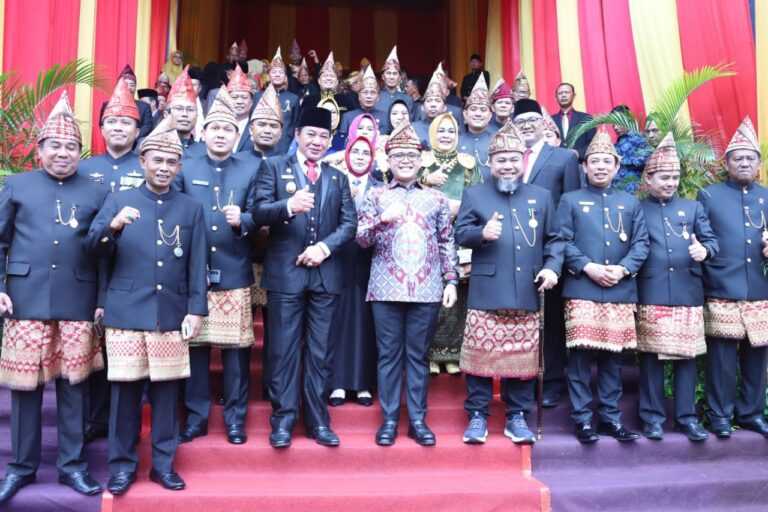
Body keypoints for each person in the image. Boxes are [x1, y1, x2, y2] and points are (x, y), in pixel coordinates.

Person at [87, 116, 208, 495]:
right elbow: (92, 247)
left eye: (171, 162)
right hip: (125, 312)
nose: (164, 168)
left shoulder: (191, 208)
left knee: (167, 395)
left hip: (170, 314)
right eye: (157, 160)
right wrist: (114, 228)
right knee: (124, 397)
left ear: (179, 167)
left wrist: (197, 309)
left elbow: (197, 262)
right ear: (143, 161)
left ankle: (163, 464)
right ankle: (122, 467)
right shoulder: (120, 200)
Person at [0, 92, 106, 504]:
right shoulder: (18, 185)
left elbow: (103, 251)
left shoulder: (95, 191)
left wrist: (99, 298)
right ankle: (21, 468)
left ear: (81, 152)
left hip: (77, 301)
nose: (63, 153)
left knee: (74, 387)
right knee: (25, 389)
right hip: (24, 300)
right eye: (55, 146)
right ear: (40, 150)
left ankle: (72, 466)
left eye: (71, 147)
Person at [252, 107, 357, 448]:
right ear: (296, 135)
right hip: (286, 274)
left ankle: (318, 420)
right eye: (310, 134)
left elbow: (349, 224)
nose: (317, 141)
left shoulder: (337, 177)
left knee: (320, 350)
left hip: (325, 275)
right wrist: (287, 206)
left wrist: (324, 249)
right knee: (282, 349)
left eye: (323, 136)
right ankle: (282, 420)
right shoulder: (272, 166)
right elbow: (257, 211)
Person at [455, 122, 562, 445]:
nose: (508, 165)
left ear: (523, 161)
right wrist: (480, 235)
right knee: (479, 357)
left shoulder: (541, 197)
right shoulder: (474, 194)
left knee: (523, 359)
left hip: (528, 289)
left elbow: (555, 239)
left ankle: (517, 416)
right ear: (491, 162)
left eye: (514, 159)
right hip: (487, 291)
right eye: (501, 159)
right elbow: (460, 234)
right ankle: (477, 415)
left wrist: (552, 268)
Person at [357, 120, 458, 447]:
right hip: (385, 288)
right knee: (388, 356)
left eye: (411, 156)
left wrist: (451, 280)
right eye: (398, 155)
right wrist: (381, 220)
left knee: (418, 357)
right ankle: (388, 421)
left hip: (427, 289)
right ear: (387, 160)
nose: (405, 160)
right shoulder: (376, 196)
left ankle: (417, 419)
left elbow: (446, 241)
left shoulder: (437, 199)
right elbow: (360, 240)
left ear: (421, 160)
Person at [176, 88, 257, 447]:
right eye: (215, 128)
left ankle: (235, 420)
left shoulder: (253, 166)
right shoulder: (185, 164)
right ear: (204, 131)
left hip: (235, 269)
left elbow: (259, 212)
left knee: (236, 354)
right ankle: (196, 418)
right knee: (194, 350)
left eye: (228, 129)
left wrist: (245, 220)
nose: (221, 134)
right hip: (191, 273)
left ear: (236, 135)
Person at [556, 130, 649, 444]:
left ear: (617, 165)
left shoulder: (630, 202)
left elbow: (641, 244)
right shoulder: (570, 200)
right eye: (593, 161)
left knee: (612, 359)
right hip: (582, 287)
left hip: (620, 290)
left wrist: (622, 269)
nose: (599, 167)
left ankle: (610, 418)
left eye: (605, 162)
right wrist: (588, 267)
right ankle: (582, 420)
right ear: (584, 166)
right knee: (580, 360)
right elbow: (561, 241)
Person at [636, 133, 715, 442]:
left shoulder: (693, 208)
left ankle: (686, 418)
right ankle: (652, 419)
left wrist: (704, 251)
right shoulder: (637, 208)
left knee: (687, 357)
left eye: (674, 177)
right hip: (651, 290)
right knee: (651, 359)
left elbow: (711, 241)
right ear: (649, 178)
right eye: (664, 177)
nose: (670, 182)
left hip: (687, 291)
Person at [79, 78, 144, 443]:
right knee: (92, 348)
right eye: (112, 122)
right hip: (90, 267)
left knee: (125, 350)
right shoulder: (86, 168)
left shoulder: (149, 166)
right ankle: (93, 418)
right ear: (102, 128)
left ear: (137, 130)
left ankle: (125, 422)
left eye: (126, 123)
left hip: (135, 266)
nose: (118, 128)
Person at [698, 117, 768, 439]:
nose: (743, 162)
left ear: (758, 163)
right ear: (726, 163)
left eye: (749, 158)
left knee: (757, 358)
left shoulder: (766, 196)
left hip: (760, 287)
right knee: (722, 361)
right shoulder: (709, 196)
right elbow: (702, 238)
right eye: (737, 158)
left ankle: (751, 413)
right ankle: (720, 416)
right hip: (722, 286)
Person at [512, 98, 581, 408]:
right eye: (521, 121)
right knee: (519, 319)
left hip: (551, 251)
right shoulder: (507, 157)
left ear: (544, 123)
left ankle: (552, 381)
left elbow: (571, 206)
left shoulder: (563, 157)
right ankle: (522, 378)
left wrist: (562, 254)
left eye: (532, 120)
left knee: (551, 321)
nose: (527, 126)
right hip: (514, 252)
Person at [420, 112, 482, 375]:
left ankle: (454, 354)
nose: (446, 135)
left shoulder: (468, 164)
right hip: (425, 237)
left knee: (457, 296)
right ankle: (431, 354)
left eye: (451, 131)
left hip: (459, 234)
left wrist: (462, 209)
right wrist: (425, 180)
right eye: (441, 131)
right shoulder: (421, 163)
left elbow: (479, 198)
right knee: (431, 295)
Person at [328, 135, 379, 407]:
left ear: (372, 159)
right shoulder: (334, 182)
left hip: (370, 262)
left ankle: (363, 385)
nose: (360, 156)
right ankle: (336, 383)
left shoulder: (380, 187)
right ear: (347, 155)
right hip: (338, 258)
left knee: (365, 323)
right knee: (339, 320)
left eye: (365, 153)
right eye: (355, 151)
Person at [253, 47, 300, 154]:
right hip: (260, 144)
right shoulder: (257, 96)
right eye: (274, 72)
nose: (277, 74)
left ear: (285, 76)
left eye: (281, 72)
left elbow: (295, 124)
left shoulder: (293, 98)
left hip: (284, 146)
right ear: (269, 75)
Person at [99, 65, 154, 139]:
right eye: (126, 84)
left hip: (136, 144)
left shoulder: (144, 106)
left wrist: (131, 137)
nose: (129, 88)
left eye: (132, 85)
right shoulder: (107, 105)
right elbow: (102, 124)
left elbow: (147, 126)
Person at [458, 74, 493, 179]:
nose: (478, 114)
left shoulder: (498, 141)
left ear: (490, 115)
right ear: (465, 114)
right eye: (473, 109)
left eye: (483, 110)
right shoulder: (456, 142)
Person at [165, 66, 204, 156]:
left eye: (190, 110)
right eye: (179, 109)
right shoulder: (155, 146)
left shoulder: (208, 107)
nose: (184, 114)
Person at [339, 66, 387, 138]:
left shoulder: (385, 117)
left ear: (378, 97)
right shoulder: (347, 117)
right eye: (365, 92)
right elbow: (342, 141)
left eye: (373, 93)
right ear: (359, 97)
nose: (369, 96)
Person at [551, 83, 595, 161]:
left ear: (574, 95)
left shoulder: (586, 118)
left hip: (579, 165)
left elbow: (593, 142)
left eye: (566, 92)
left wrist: (578, 153)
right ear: (556, 98)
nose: (563, 95)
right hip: (555, 165)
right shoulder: (550, 120)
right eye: (560, 93)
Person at [375, 46, 413, 117]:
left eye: (395, 73)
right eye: (388, 73)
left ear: (399, 78)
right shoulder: (375, 97)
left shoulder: (407, 99)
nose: (391, 77)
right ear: (383, 77)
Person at [226, 64, 255, 153]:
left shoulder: (256, 127)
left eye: (244, 97)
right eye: (234, 97)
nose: (239, 101)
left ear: (251, 102)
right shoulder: (217, 123)